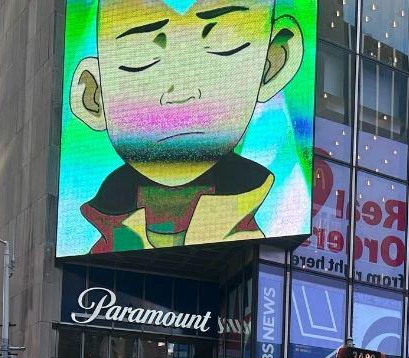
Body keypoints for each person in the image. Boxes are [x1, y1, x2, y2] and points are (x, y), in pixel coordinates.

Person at [67, 0, 307, 251]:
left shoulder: (254, 218)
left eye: (223, 43)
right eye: (141, 57)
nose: (182, 92)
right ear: (93, 96)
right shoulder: (108, 229)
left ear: (273, 63)